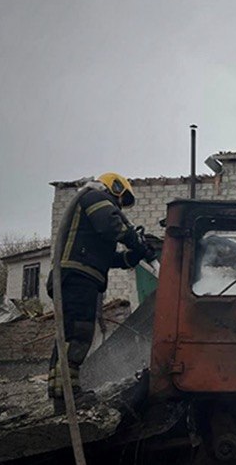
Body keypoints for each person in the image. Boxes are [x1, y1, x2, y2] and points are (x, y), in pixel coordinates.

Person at [47, 173, 154, 405]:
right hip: (77, 278)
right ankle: (70, 395)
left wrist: (133, 256)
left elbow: (107, 258)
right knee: (79, 333)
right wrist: (135, 241)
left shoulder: (91, 220)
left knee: (68, 334)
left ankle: (60, 395)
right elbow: (111, 227)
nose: (119, 207)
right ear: (114, 187)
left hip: (78, 278)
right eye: (121, 200)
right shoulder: (94, 197)